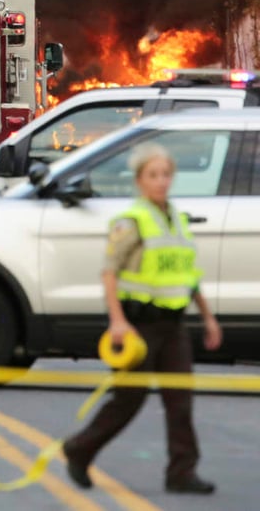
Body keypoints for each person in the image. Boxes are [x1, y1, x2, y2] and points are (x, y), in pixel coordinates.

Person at [62, 143, 222, 495]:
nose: (161, 181)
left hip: (174, 325)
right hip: (139, 325)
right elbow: (109, 273)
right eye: (153, 175)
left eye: (166, 174)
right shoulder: (132, 222)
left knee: (180, 400)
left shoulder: (177, 220)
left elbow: (188, 275)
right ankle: (80, 448)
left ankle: (181, 472)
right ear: (139, 181)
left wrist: (208, 318)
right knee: (128, 399)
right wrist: (117, 322)